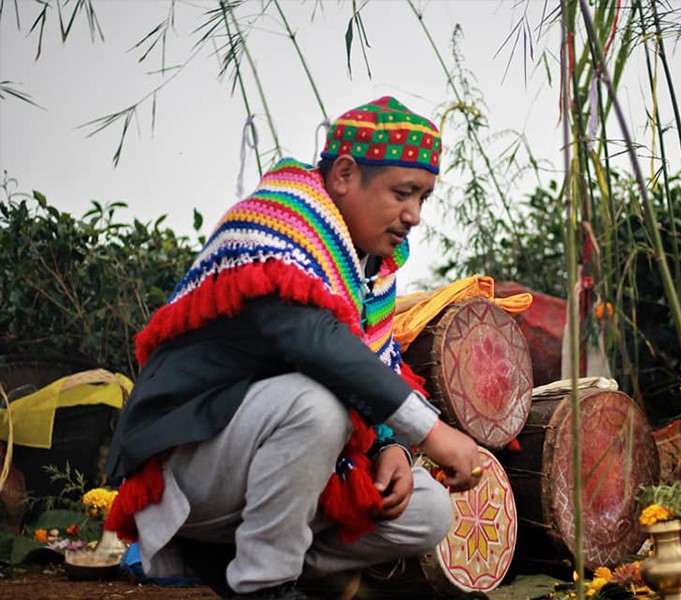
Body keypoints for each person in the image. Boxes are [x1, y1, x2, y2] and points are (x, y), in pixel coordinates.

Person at [104, 96, 483, 600]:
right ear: (345, 174)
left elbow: (365, 363)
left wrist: (391, 442)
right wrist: (431, 431)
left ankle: (237, 563)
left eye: (424, 199)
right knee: (315, 405)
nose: (413, 215)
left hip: (262, 469)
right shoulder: (274, 226)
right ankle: (266, 585)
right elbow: (318, 344)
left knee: (429, 510)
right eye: (403, 193)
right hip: (193, 462)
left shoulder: (368, 270)